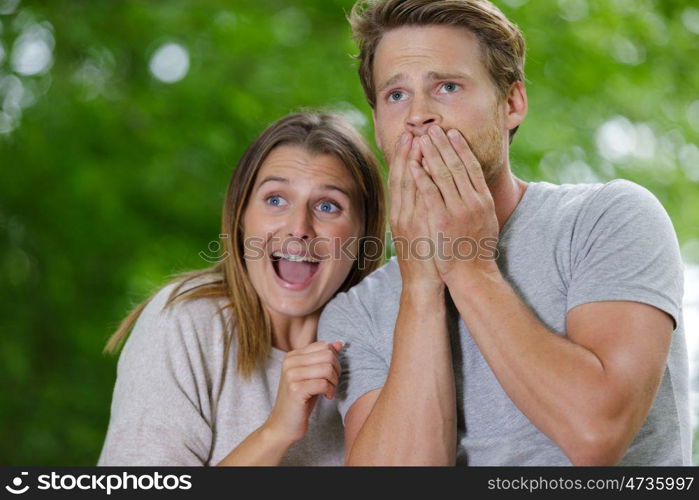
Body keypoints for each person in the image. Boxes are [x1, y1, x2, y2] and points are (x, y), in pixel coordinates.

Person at [317, 0, 691, 465]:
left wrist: (468, 265)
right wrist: (421, 286)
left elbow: (596, 434)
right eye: (396, 95)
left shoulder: (608, 217)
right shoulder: (356, 311)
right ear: (377, 124)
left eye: (447, 86)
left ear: (511, 104)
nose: (418, 115)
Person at [97, 112, 386, 466]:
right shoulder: (186, 323)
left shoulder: (384, 343)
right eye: (276, 199)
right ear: (241, 216)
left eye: (328, 206)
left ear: (363, 234)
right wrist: (276, 433)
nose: (299, 227)